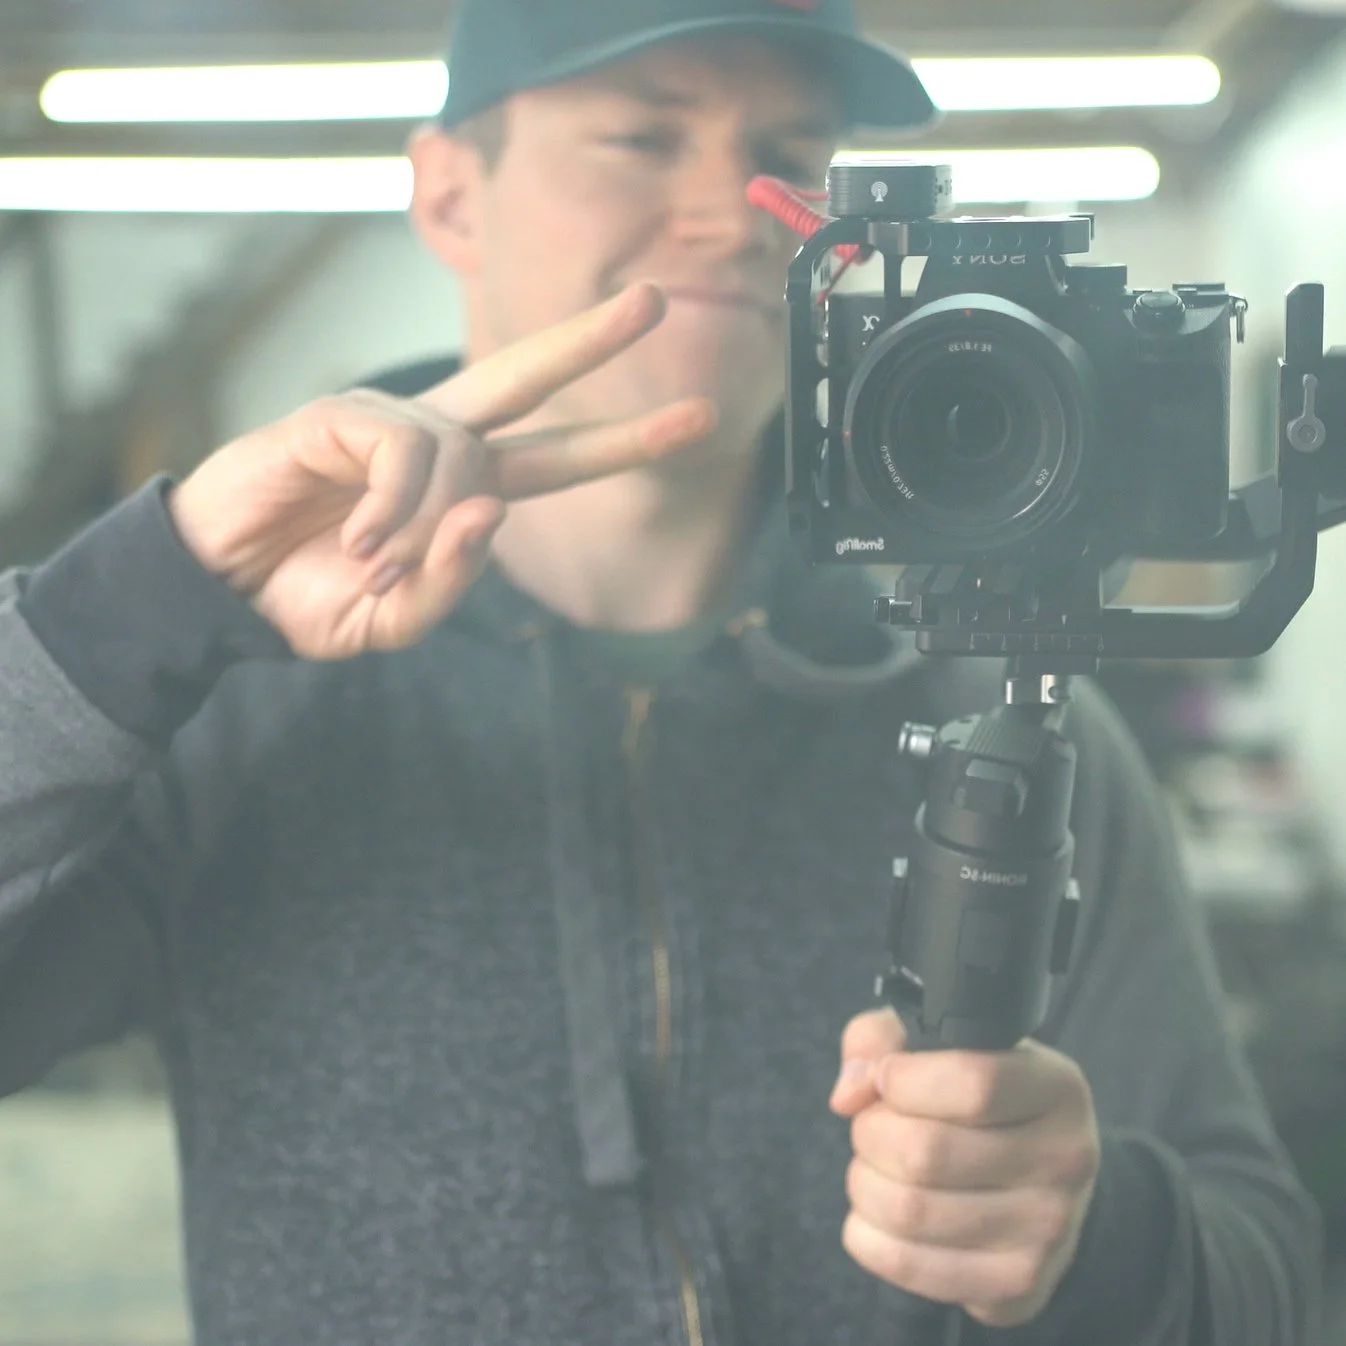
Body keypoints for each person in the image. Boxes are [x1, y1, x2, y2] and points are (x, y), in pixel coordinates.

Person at [0, 0, 1323, 1342]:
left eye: (786, 154)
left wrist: (1094, 1239)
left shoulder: (1008, 724)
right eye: (640, 137)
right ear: (450, 195)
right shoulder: (226, 708)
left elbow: (1264, 1278)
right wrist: (128, 608)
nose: (731, 212)